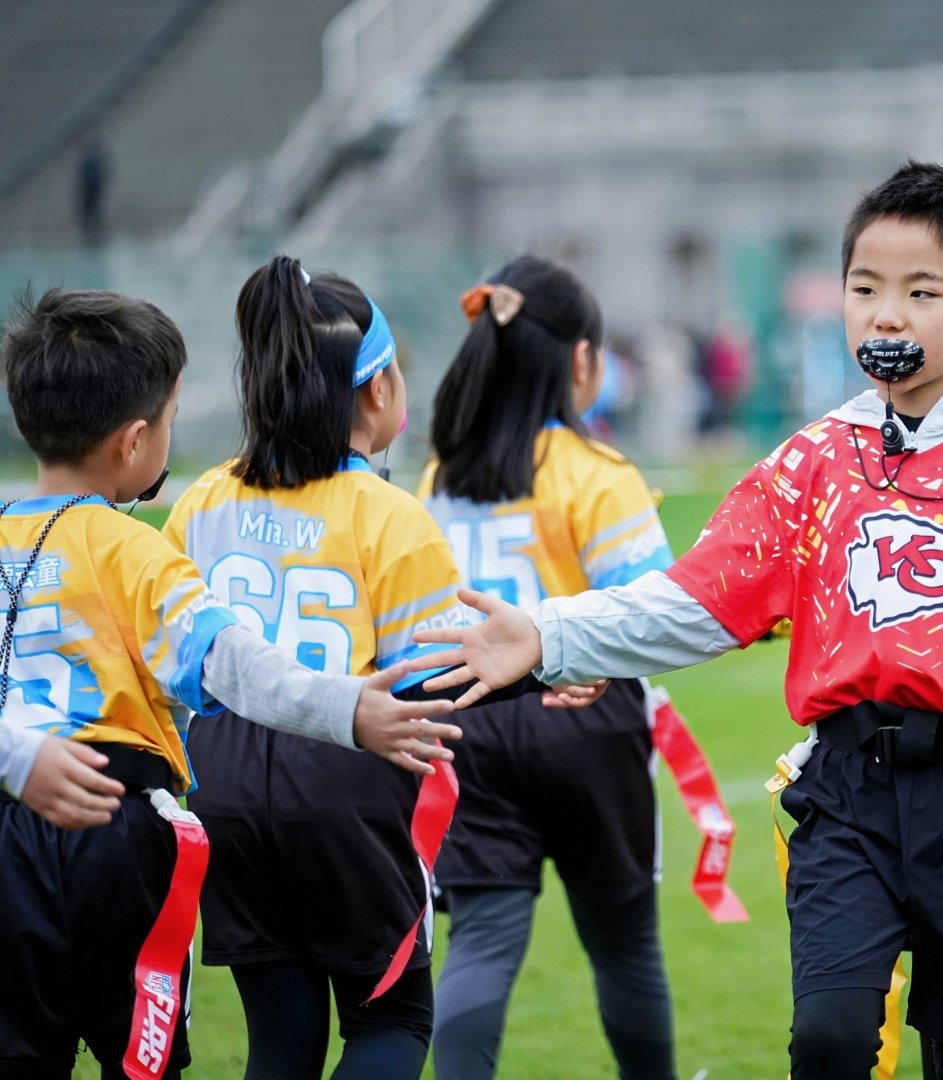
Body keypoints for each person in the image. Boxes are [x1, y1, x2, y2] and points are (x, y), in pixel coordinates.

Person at [408, 162, 943, 1080]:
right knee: (828, 1037)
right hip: (847, 794)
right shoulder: (812, 462)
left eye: (920, 292)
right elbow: (694, 600)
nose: (885, 316)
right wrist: (548, 635)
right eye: (865, 289)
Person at [0, 286, 460, 1078]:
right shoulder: (134, 550)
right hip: (120, 826)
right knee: (152, 1061)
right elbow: (230, 664)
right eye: (170, 421)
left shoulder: (200, 500)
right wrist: (349, 708)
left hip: (28, 817)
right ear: (135, 442)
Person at [160, 257, 533, 1079]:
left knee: (279, 1040)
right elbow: (431, 679)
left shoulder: (201, 500)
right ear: (378, 388)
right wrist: (541, 673)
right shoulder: (392, 515)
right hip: (349, 775)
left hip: (222, 781)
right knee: (391, 1021)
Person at [421, 257, 678, 1080]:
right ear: (581, 359)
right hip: (585, 715)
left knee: (483, 941)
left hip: (469, 720)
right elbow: (654, 611)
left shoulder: (439, 475)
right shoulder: (597, 473)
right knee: (625, 942)